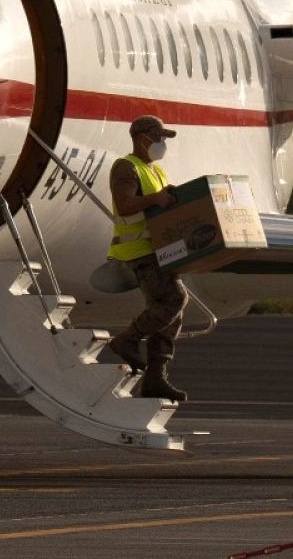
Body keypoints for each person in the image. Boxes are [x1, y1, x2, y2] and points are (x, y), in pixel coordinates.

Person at [105, 114, 189, 401]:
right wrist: (156, 199)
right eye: (158, 136)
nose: (162, 142)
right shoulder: (125, 167)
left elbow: (158, 207)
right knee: (174, 300)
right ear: (140, 137)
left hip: (158, 251)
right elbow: (126, 205)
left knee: (170, 314)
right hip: (137, 251)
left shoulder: (155, 171)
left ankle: (155, 379)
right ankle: (127, 340)